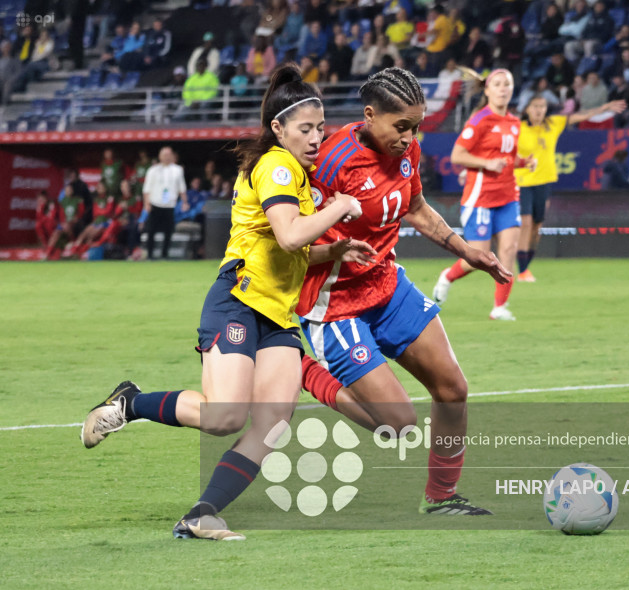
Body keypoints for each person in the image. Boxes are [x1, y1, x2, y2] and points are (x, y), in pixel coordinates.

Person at [80, 63, 368, 541]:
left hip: (276, 312)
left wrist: (333, 250)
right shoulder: (278, 164)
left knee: (273, 423)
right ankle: (130, 403)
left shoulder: (294, 171)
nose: (318, 137)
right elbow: (290, 233)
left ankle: (202, 514)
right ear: (278, 128)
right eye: (306, 128)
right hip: (239, 299)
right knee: (225, 416)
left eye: (321, 127)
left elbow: (290, 247)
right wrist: (339, 207)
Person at [297, 67, 511, 515]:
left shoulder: (407, 151)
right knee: (397, 424)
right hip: (335, 304)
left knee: (453, 388)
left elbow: (414, 207)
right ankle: (299, 368)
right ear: (370, 115)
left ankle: (442, 497)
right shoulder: (331, 162)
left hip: (387, 286)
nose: (409, 136)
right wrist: (336, 249)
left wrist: (464, 249)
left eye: (416, 126)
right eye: (401, 126)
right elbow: (293, 241)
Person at [432, 69, 527, 320]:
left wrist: (523, 162)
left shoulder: (514, 122)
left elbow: (507, 157)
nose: (503, 88)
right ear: (487, 90)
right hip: (481, 198)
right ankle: (447, 276)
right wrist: (486, 163)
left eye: (507, 84)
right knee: (480, 258)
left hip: (508, 196)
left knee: (508, 250)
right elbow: (457, 155)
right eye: (497, 84)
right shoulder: (480, 120)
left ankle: (499, 307)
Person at [512, 95, 626, 282]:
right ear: (527, 110)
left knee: (536, 226)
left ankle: (526, 266)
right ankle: (522, 270)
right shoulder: (518, 127)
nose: (539, 110)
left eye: (542, 106)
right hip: (522, 182)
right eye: (535, 106)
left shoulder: (553, 124)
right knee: (525, 223)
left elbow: (580, 116)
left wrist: (605, 107)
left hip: (544, 181)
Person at [142, 146, 189, 260]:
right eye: (164, 155)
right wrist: (146, 204)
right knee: (151, 230)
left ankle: (164, 253)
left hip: (170, 205)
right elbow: (146, 189)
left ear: (172, 156)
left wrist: (185, 202)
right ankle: (150, 254)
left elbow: (182, 187)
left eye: (168, 155)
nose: (166, 157)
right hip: (155, 203)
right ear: (160, 156)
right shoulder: (153, 170)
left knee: (168, 230)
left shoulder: (177, 170)